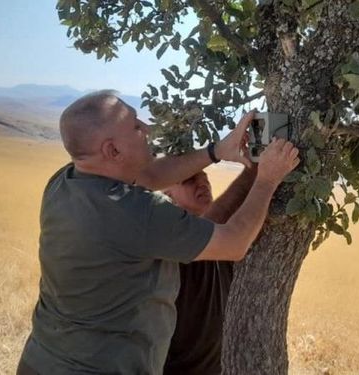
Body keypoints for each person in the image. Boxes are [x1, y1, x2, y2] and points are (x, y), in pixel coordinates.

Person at [17, 91, 299, 375]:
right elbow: (235, 242)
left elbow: (150, 176)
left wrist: (217, 151)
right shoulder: (134, 213)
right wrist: (266, 178)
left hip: (39, 361)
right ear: (112, 151)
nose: (146, 129)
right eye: (136, 127)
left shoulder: (65, 182)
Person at [161, 168, 256, 374]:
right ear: (168, 197)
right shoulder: (170, 243)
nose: (202, 182)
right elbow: (218, 217)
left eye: (204, 176)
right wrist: (258, 171)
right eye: (189, 178)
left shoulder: (224, 245)